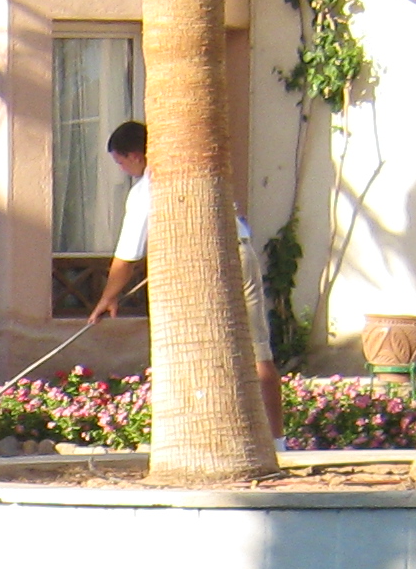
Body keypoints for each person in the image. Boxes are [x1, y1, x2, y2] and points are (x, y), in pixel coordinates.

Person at [83, 118, 283, 439]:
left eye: (120, 162)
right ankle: (276, 440)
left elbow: (127, 257)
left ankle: (219, 436)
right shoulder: (198, 170)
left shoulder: (148, 188)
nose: (122, 169)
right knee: (257, 351)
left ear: (135, 155)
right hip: (241, 251)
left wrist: (107, 298)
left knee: (205, 352)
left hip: (207, 264)